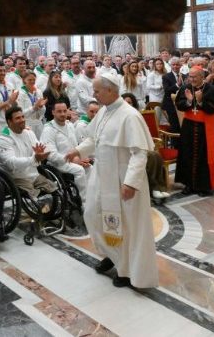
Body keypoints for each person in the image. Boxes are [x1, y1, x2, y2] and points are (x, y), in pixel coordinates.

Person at [68, 72, 158, 289]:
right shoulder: (104, 111)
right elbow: (93, 138)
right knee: (93, 214)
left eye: (97, 90)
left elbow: (139, 153)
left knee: (127, 226)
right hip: (102, 175)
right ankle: (112, 253)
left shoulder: (129, 115)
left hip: (123, 179)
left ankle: (126, 270)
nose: (94, 94)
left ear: (110, 90)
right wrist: (78, 150)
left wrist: (130, 183)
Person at [174, 67, 214, 196]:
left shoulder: (212, 89)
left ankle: (204, 186)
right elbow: (179, 104)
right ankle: (189, 184)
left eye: (195, 77)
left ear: (202, 76)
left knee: (204, 156)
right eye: (190, 76)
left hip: (205, 128)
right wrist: (189, 100)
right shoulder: (185, 88)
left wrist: (200, 101)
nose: (192, 79)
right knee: (187, 154)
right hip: (188, 127)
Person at [0, 107, 58, 201]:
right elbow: (11, 163)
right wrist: (34, 158)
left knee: (54, 188)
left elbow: (38, 150)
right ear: (9, 122)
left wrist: (41, 154)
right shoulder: (3, 139)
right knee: (34, 196)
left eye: (22, 117)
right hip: (15, 177)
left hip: (33, 174)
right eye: (18, 118)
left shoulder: (29, 133)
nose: (22, 120)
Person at [39, 101, 90, 194]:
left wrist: (80, 157)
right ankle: (83, 202)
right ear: (53, 112)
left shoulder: (69, 125)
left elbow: (76, 146)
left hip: (73, 160)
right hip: (58, 164)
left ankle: (90, 196)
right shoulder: (48, 130)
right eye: (59, 111)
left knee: (89, 167)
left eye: (64, 111)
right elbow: (51, 155)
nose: (62, 114)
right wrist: (70, 159)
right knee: (79, 170)